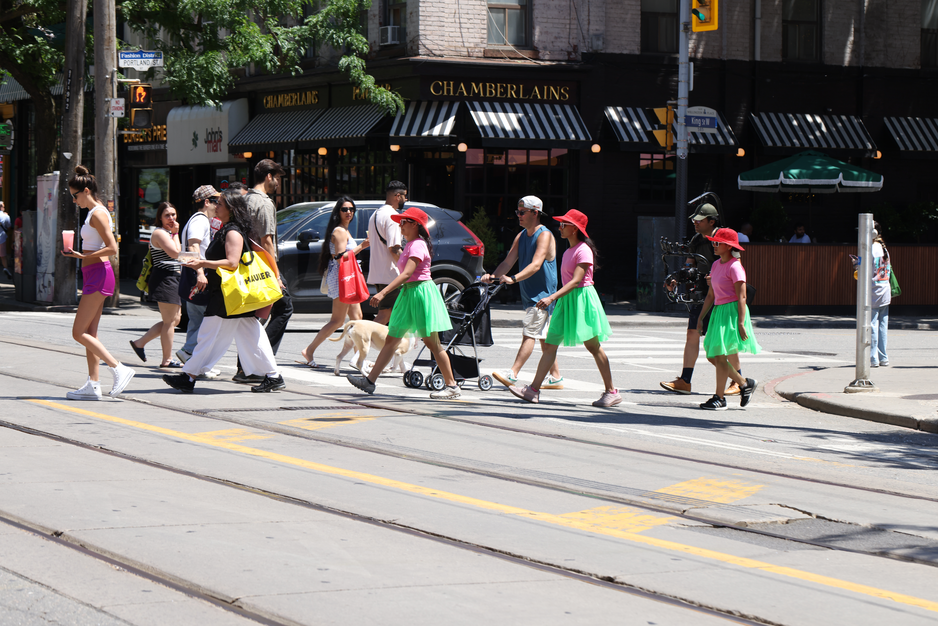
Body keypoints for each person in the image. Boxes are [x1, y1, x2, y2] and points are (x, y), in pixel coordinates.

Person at [163, 190, 285, 393]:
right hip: (229, 294)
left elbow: (232, 262)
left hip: (228, 296)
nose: (215, 205)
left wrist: (203, 263)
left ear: (231, 209)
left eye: (219, 203)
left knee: (208, 334)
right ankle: (273, 376)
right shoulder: (226, 229)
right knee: (250, 333)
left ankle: (189, 376)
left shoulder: (233, 232)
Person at [507, 210, 620, 407]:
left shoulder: (583, 250)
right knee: (550, 345)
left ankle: (611, 391)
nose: (560, 227)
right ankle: (533, 390)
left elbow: (576, 281)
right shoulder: (568, 250)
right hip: (566, 300)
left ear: (574, 228)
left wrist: (551, 297)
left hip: (582, 300)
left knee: (593, 346)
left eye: (564, 224)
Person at [347, 207, 460, 400]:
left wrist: (382, 292)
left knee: (432, 343)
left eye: (404, 222)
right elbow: (405, 272)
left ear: (415, 224)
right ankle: (370, 381)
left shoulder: (417, 245)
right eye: (400, 222)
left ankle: (452, 387)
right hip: (409, 294)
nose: (400, 225)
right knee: (392, 339)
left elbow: (407, 273)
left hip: (420, 294)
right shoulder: (409, 244)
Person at [61, 166, 136, 399]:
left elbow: (113, 248)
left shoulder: (98, 213)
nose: (74, 201)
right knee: (90, 332)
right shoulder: (93, 212)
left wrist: (83, 256)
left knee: (78, 332)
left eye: (75, 196)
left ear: (86, 190)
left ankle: (118, 368)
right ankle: (93, 384)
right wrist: (80, 255)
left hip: (99, 273)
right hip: (95, 273)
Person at [481, 195, 563, 390]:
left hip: (542, 296)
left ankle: (513, 373)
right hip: (530, 294)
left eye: (522, 212)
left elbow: (536, 264)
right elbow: (508, 262)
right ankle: (555, 376)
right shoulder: (521, 235)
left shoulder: (544, 235)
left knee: (529, 334)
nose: (518, 215)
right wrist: (492, 277)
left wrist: (513, 279)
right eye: (517, 212)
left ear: (535, 213)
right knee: (544, 339)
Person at [660, 204, 742, 396]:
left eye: (700, 220)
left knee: (726, 341)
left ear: (711, 221)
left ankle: (738, 380)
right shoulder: (696, 239)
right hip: (702, 296)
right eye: (694, 220)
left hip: (722, 297)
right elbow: (689, 265)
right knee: (692, 333)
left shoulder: (724, 238)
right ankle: (685, 381)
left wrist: (718, 278)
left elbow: (735, 265)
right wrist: (675, 279)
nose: (695, 222)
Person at [233, 159, 293, 383]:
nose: (278, 182)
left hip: (246, 266)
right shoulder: (265, 203)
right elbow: (267, 241)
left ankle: (245, 368)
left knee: (253, 318)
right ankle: (257, 365)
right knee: (284, 308)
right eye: (277, 177)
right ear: (269, 176)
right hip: (263, 267)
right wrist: (276, 275)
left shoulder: (243, 200)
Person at [299, 196, 369, 368]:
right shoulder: (339, 231)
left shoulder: (344, 230)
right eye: (345, 209)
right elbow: (339, 258)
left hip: (348, 277)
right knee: (338, 320)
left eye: (352, 209)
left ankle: (359, 359)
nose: (349, 212)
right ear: (338, 212)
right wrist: (363, 246)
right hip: (342, 278)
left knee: (357, 318)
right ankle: (309, 350)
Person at [696, 228, 761, 410]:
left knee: (719, 355)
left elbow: (742, 297)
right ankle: (744, 383)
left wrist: (741, 323)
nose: (714, 245)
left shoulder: (735, 266)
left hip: (732, 313)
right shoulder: (716, 265)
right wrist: (701, 318)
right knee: (713, 355)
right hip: (718, 312)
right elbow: (710, 295)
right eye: (714, 242)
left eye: (718, 243)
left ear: (728, 246)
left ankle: (720, 397)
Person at [129, 202, 183, 368]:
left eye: (173, 215)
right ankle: (166, 360)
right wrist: (175, 233)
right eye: (167, 215)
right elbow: (175, 253)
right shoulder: (160, 233)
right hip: (164, 279)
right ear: (159, 217)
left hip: (174, 278)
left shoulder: (169, 233)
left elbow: (178, 253)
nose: (171, 218)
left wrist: (175, 234)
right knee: (169, 322)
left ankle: (139, 343)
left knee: (174, 320)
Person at [175, 185, 219, 367]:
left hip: (192, 277)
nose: (219, 205)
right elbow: (193, 246)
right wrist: (200, 273)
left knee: (197, 321)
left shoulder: (194, 220)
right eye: (216, 201)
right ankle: (189, 352)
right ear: (207, 202)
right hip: (199, 278)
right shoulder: (200, 221)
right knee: (208, 323)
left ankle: (194, 360)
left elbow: (185, 251)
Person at [367, 180, 407, 326]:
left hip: (379, 274)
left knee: (391, 316)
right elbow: (394, 248)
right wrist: (407, 269)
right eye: (404, 196)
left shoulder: (375, 214)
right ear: (397, 196)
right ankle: (359, 343)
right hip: (392, 275)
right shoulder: (393, 217)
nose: (406, 199)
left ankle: (390, 348)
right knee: (385, 316)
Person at [871, 221, 891, 367]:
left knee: (871, 325)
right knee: (883, 325)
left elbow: (864, 268)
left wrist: (855, 263)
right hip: (885, 290)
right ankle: (883, 357)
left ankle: (873, 358)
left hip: (873, 291)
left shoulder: (870, 248)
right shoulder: (884, 249)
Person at [0, 201, 11, 279]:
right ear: (2, 207)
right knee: (3, 255)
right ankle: (5, 268)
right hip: (2, 237)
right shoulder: (6, 216)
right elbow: (9, 227)